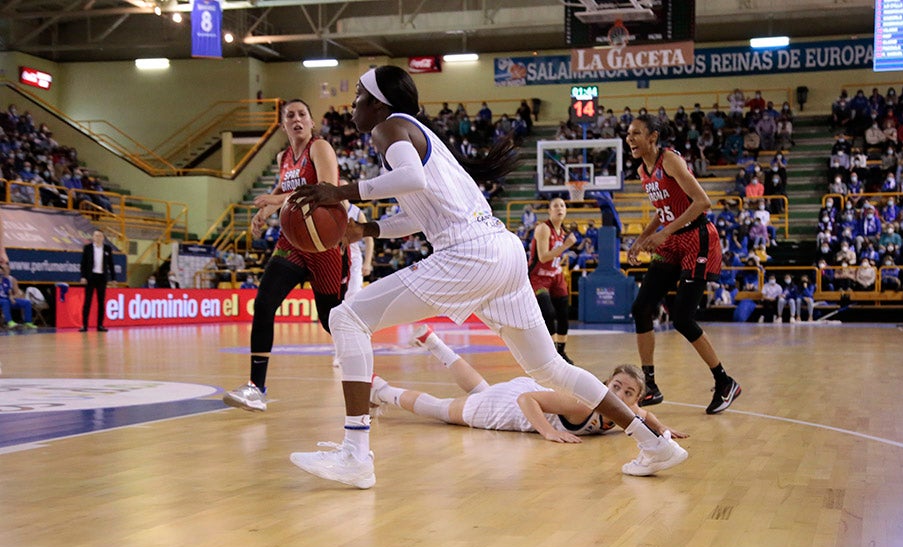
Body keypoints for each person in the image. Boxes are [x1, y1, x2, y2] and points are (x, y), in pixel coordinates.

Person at [284, 65, 689, 487]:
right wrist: (370, 228)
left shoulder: (388, 128)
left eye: (358, 100)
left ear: (379, 103)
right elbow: (416, 210)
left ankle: (355, 453)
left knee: (347, 318)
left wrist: (342, 191)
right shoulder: (420, 136)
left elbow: (410, 178)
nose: (352, 110)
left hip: (470, 254)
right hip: (502, 251)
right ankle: (653, 442)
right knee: (551, 368)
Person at [223, 99, 353, 412]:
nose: (297, 119)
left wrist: (277, 198)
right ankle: (256, 388)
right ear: (283, 125)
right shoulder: (285, 157)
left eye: (302, 114)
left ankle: (368, 380)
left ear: (311, 122)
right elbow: (283, 190)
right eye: (290, 116)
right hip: (293, 242)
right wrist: (265, 211)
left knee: (330, 319)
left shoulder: (319, 148)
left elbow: (326, 190)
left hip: (323, 245)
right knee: (265, 302)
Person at [370, 325, 687, 444]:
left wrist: (665, 431)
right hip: (515, 405)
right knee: (443, 410)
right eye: (615, 386)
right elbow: (528, 402)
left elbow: (648, 418)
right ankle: (382, 390)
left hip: (517, 393)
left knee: (480, 391)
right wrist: (549, 432)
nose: (618, 395)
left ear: (636, 402)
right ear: (605, 384)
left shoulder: (628, 414)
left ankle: (434, 342)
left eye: (628, 393)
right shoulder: (585, 404)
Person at [624, 113, 741, 413]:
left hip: (698, 238)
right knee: (641, 308)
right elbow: (662, 209)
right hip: (672, 241)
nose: (630, 139)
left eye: (636, 133)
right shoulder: (643, 170)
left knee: (682, 318)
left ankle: (725, 382)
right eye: (628, 134)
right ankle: (650, 385)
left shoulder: (670, 160)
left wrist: (664, 232)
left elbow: (702, 202)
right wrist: (642, 238)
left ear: (653, 136)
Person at [529, 197, 577, 364]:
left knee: (564, 313)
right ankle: (550, 352)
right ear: (549, 211)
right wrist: (565, 247)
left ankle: (561, 352)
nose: (560, 208)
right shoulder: (543, 228)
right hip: (538, 277)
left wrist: (562, 258)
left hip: (555, 276)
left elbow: (554, 256)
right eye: (555, 206)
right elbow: (542, 257)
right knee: (548, 312)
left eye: (562, 205)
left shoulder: (562, 232)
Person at [79, 229, 115, 332]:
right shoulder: (88, 248)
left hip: (102, 278)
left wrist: (113, 278)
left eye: (100, 236)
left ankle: (100, 325)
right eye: (96, 235)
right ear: (93, 237)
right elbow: (83, 264)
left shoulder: (107, 248)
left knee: (101, 302)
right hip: (91, 277)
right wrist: (83, 276)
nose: (98, 237)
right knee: (87, 301)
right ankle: (84, 325)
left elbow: (111, 264)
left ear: (103, 238)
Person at [1, 257, 35, 329]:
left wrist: (13, 297)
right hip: (2, 299)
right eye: (4, 269)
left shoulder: (12, 279)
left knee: (27, 302)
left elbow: (17, 293)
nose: (6, 270)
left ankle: (28, 322)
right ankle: (9, 322)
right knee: (5, 302)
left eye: (8, 269)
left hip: (9, 299)